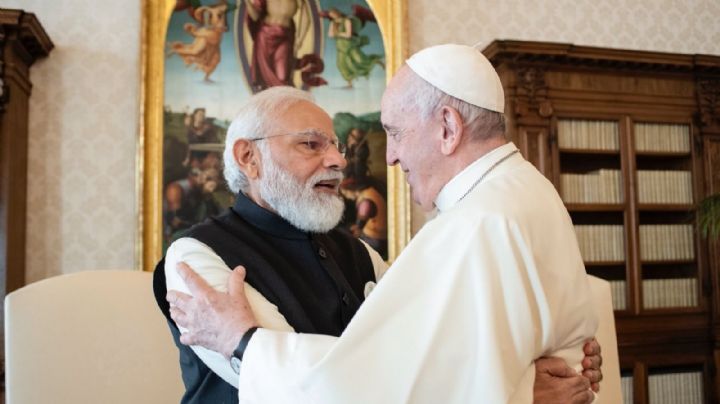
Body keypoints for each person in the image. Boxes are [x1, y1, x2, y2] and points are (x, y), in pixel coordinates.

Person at [168, 45, 601, 403]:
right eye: (311, 144)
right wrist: (526, 386)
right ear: (249, 158)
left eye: (336, 145)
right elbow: (390, 373)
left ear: (448, 128)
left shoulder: (400, 241)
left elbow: (403, 370)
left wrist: (244, 340)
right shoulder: (194, 254)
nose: (340, 160)